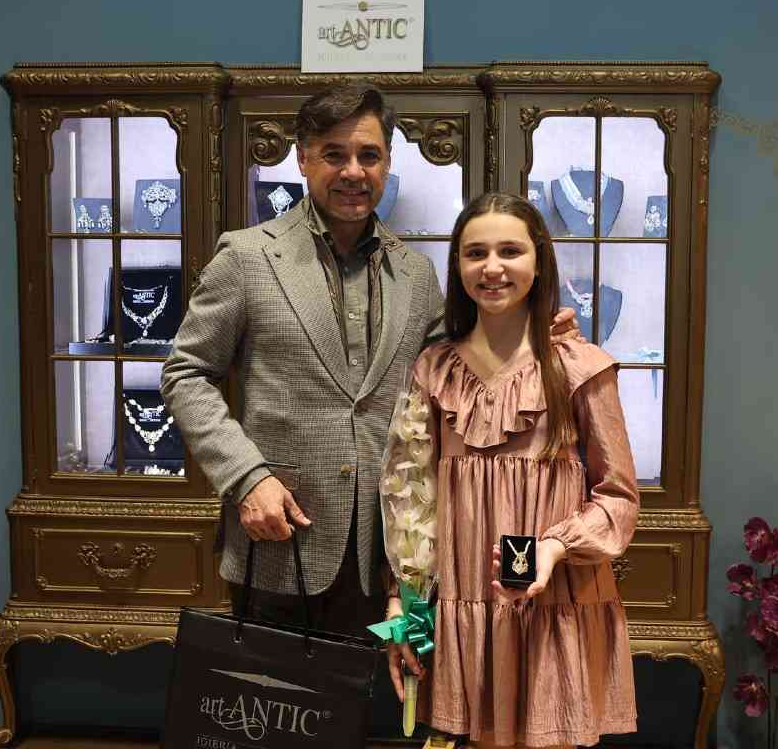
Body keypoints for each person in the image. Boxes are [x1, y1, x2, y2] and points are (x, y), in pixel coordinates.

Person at [161, 85, 577, 645]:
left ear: (387, 162)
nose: (353, 172)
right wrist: (246, 477)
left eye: (369, 155)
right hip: (280, 537)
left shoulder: (417, 275)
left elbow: (458, 369)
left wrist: (533, 338)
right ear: (303, 159)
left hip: (387, 553)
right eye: (334, 154)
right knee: (271, 699)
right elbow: (186, 374)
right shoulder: (247, 257)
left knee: (375, 696)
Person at [383, 192, 640, 749]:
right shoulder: (433, 370)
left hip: (553, 605)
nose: (492, 267)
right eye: (475, 253)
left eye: (510, 251)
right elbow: (411, 503)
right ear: (458, 265)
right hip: (460, 609)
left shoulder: (580, 368)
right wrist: (404, 604)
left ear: (539, 259)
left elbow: (618, 497)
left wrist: (556, 545)